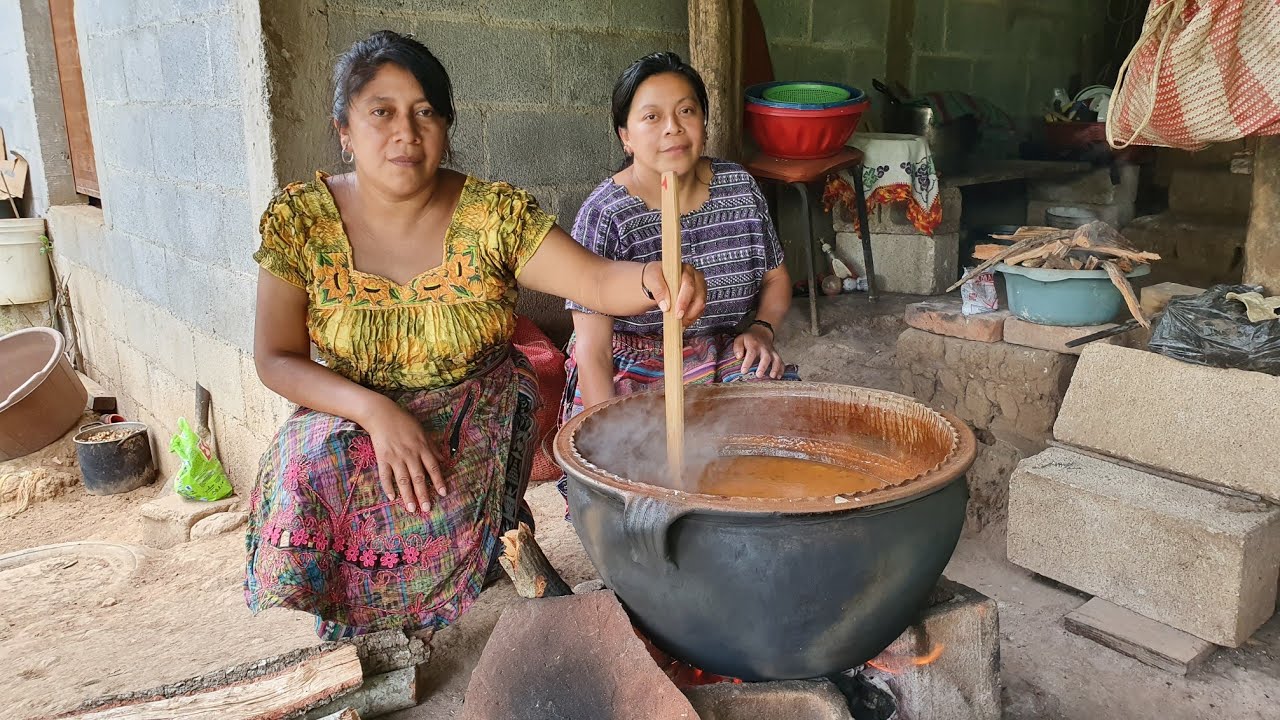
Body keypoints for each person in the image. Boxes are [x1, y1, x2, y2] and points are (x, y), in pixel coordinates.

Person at [244, 31, 706, 640]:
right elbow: (275, 358)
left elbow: (594, 281)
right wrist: (377, 413)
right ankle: (353, 616)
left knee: (432, 480)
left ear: (447, 127)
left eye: (426, 112)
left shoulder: (493, 216)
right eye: (381, 112)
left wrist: (655, 278)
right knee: (310, 465)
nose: (406, 132)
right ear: (344, 130)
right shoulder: (301, 221)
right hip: (353, 403)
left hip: (477, 401)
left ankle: (469, 561)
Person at [557, 53, 799, 509]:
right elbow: (591, 351)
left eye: (686, 111)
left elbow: (776, 278)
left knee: (770, 443)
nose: (673, 127)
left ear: (703, 122)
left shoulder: (740, 190)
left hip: (721, 353)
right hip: (631, 369)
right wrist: (612, 446)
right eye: (652, 117)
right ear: (625, 137)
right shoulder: (606, 214)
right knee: (631, 482)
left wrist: (761, 329)